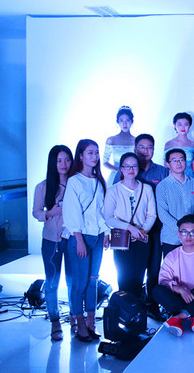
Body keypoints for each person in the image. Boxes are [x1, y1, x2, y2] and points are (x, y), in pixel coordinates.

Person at [62, 139, 109, 342]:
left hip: (97, 236)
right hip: (80, 237)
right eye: (90, 152)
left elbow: (102, 210)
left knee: (93, 281)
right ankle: (79, 322)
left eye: (96, 152)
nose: (95, 156)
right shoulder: (74, 181)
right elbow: (71, 212)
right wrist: (79, 239)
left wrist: (106, 232)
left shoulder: (98, 180)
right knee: (79, 283)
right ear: (80, 156)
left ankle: (91, 322)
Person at [153, 214, 194, 337]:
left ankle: (179, 317)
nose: (188, 236)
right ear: (179, 235)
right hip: (180, 297)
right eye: (184, 232)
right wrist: (181, 290)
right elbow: (163, 281)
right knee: (157, 290)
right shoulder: (172, 256)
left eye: (193, 232)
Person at [33, 145, 74, 340]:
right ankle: (55, 320)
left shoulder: (77, 184)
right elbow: (36, 212)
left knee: (74, 281)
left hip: (73, 239)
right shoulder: (42, 186)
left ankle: (76, 317)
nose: (63, 164)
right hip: (51, 240)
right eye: (59, 160)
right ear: (52, 163)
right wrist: (50, 213)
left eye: (67, 159)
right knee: (52, 281)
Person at [104, 153, 157, 299]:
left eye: (134, 166)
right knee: (124, 277)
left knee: (139, 277)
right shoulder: (113, 190)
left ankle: (137, 308)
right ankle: (125, 307)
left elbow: (152, 215)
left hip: (142, 238)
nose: (130, 169)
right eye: (126, 166)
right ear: (121, 169)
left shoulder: (146, 189)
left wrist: (141, 231)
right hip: (121, 239)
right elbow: (108, 217)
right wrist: (129, 228)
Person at [131, 134, 169, 318]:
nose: (145, 151)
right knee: (134, 268)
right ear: (135, 149)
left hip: (156, 227)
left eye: (149, 147)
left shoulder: (162, 172)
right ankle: (134, 305)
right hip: (133, 228)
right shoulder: (128, 170)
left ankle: (152, 304)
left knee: (154, 267)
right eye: (141, 147)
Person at [156, 148, 194, 256]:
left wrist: (189, 230)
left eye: (181, 160)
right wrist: (182, 230)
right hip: (171, 238)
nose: (179, 163)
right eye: (174, 160)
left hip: (191, 238)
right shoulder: (162, 186)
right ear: (168, 164)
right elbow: (163, 214)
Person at [103, 106, 135, 185]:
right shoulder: (111, 140)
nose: (124, 123)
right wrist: (119, 170)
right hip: (115, 176)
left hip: (132, 176)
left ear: (132, 121)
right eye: (121, 120)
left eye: (127, 120)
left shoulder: (136, 141)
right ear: (117, 122)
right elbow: (105, 162)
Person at [164, 112, 194, 179]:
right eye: (179, 124)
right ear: (175, 126)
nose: (183, 127)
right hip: (173, 180)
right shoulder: (168, 144)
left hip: (190, 179)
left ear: (189, 126)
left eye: (186, 124)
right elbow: (165, 167)